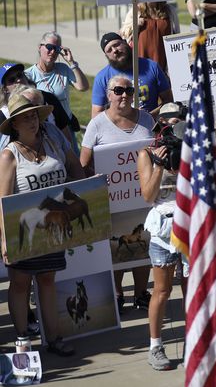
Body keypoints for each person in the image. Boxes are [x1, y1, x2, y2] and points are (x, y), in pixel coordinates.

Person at [0, 93, 85, 357]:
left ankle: (55, 338)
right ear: (14, 124)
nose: (32, 122)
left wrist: (81, 188)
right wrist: (4, 239)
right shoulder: (8, 156)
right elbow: (2, 200)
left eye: (34, 115)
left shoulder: (53, 142)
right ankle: (23, 340)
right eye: (25, 118)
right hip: (25, 229)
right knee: (21, 284)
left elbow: (74, 166)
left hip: (54, 226)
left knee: (48, 279)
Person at [80, 75, 155, 312]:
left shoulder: (147, 119)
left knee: (145, 245)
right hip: (112, 200)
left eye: (129, 90)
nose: (124, 95)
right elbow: (84, 163)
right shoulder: (97, 124)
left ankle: (142, 293)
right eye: (119, 90)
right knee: (116, 251)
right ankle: (118, 294)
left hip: (143, 195)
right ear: (109, 94)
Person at [138, 105, 189, 370]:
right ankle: (155, 346)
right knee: (162, 289)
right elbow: (148, 195)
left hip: (190, 224)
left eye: (178, 122)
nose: (173, 128)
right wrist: (159, 165)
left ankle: (194, 341)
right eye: (168, 124)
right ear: (159, 126)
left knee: (191, 288)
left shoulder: (192, 148)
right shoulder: (147, 154)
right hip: (163, 229)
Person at [25, 31, 88, 149]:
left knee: (73, 161)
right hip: (45, 129)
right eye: (49, 47)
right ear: (40, 47)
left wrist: (72, 63)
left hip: (66, 126)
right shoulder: (29, 75)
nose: (53, 52)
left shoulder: (63, 69)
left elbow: (83, 87)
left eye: (57, 49)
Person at [91, 32, 173, 117]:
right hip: (120, 128)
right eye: (109, 50)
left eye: (117, 45)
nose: (115, 50)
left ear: (125, 43)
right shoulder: (102, 77)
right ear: (107, 56)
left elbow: (168, 99)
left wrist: (149, 117)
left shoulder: (152, 67)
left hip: (151, 126)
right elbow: (96, 114)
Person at [1, 63, 72, 143]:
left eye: (20, 75)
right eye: (11, 80)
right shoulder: (3, 113)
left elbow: (65, 133)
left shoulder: (48, 97)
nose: (18, 80)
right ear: (5, 89)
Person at [120, 2, 180, 73]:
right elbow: (124, 34)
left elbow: (177, 34)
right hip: (142, 56)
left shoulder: (169, 10)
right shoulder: (135, 10)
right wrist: (135, 24)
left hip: (164, 57)